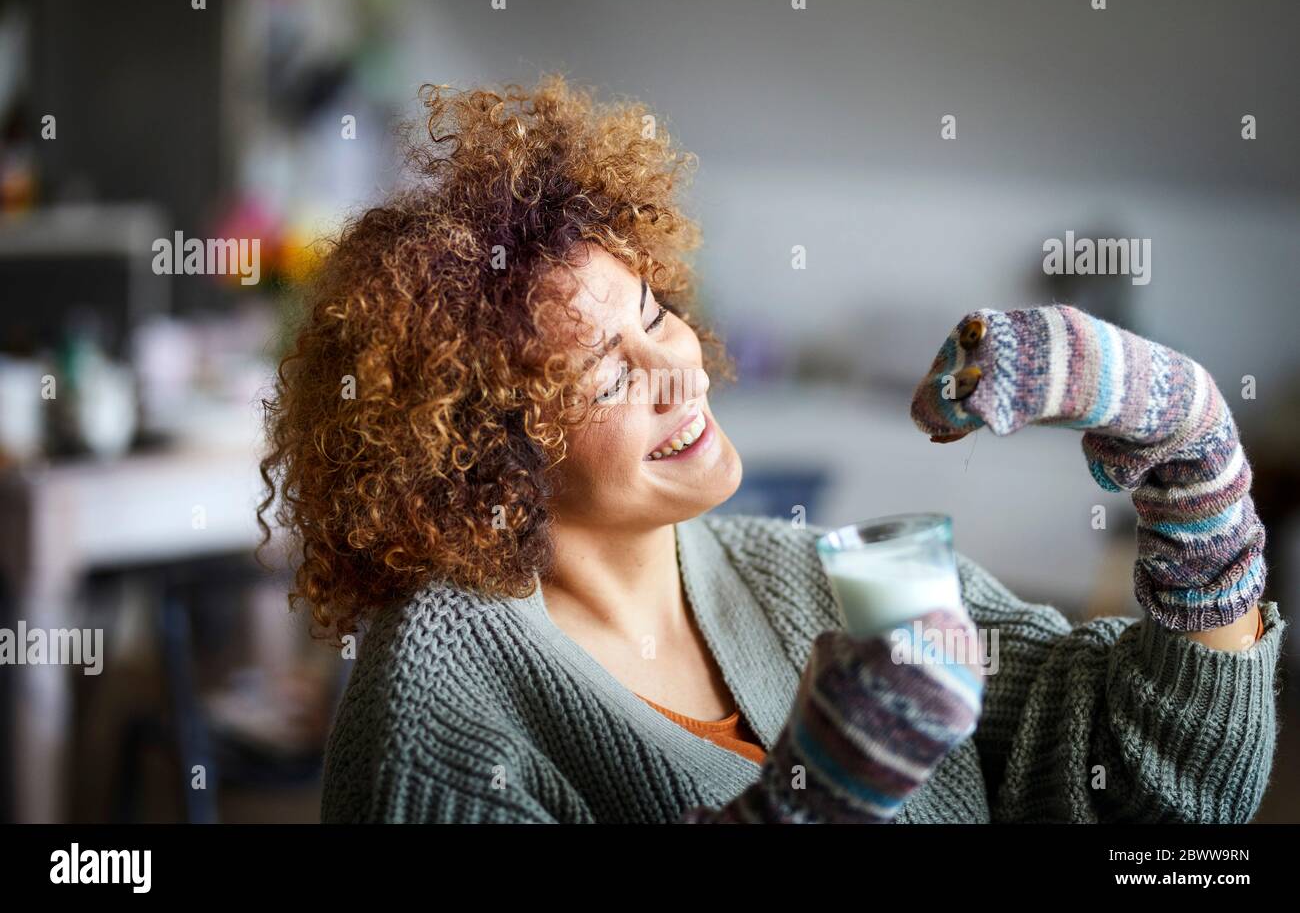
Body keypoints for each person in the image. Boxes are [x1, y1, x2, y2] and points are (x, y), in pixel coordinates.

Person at [257, 74, 1283, 823]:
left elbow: (1164, 795)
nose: (680, 367)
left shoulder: (824, 577)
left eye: (655, 312)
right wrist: (812, 800)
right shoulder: (441, 690)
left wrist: (1188, 443)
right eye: (608, 375)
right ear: (486, 455)